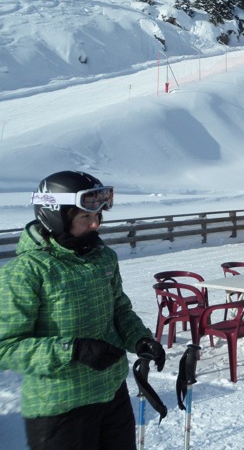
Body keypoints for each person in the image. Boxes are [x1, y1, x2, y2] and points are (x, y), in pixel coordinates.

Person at [0, 171, 165, 450]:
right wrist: (73, 350)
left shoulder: (103, 257)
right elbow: (6, 347)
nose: (95, 224)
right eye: (85, 217)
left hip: (112, 394)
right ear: (55, 217)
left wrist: (139, 338)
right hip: (61, 407)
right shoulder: (26, 271)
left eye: (98, 215)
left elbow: (120, 309)